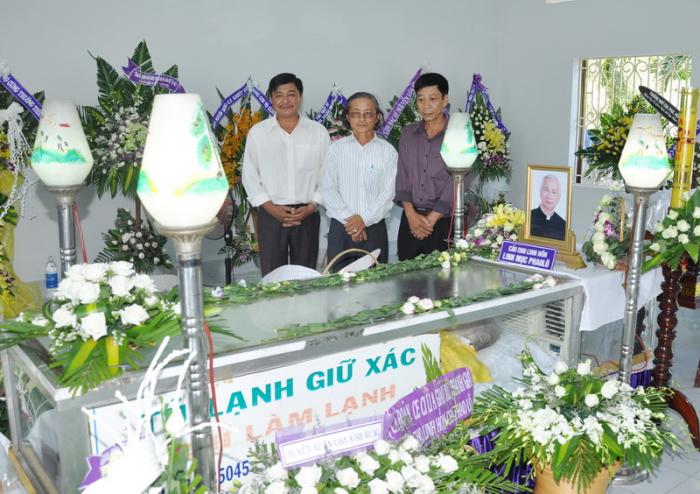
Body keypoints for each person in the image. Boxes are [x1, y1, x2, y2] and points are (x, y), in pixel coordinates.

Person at [242, 73, 330, 276]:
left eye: (291, 94)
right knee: (273, 276)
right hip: (271, 214)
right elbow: (249, 174)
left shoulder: (318, 132)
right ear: (271, 99)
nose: (285, 100)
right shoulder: (258, 133)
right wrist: (270, 207)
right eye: (279, 95)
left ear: (300, 97)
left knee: (305, 275)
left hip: (307, 214)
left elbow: (327, 173)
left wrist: (312, 206)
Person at [321, 92, 397, 271]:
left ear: (377, 117)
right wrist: (352, 221)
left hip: (374, 229)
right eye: (356, 113)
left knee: (375, 283)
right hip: (342, 229)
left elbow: (388, 193)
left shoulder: (388, 152)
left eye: (368, 113)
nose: (362, 119)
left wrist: (363, 219)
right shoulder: (336, 150)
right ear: (348, 117)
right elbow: (328, 188)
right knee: (339, 283)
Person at [394, 72, 455, 260]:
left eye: (432, 99)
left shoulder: (458, 134)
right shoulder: (408, 133)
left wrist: (432, 218)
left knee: (441, 277)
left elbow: (458, 181)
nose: (426, 105)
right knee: (405, 276)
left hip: (442, 221)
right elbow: (402, 175)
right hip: (410, 220)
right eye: (421, 99)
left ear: (445, 100)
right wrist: (411, 215)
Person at [530, 174, 566, 241]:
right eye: (546, 190)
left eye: (554, 192)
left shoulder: (563, 224)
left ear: (559, 197)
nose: (549, 195)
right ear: (540, 191)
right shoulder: (528, 216)